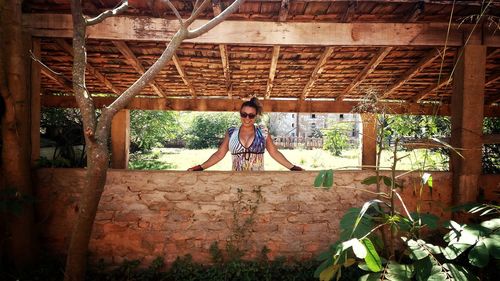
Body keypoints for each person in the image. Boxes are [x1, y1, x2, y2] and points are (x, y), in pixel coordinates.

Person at [188, 97, 304, 171]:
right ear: (240, 114)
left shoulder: (263, 132)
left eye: (251, 115)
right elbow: (219, 154)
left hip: (258, 182)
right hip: (236, 181)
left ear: (256, 116)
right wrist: (201, 167)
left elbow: (274, 152)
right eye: (244, 114)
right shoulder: (231, 132)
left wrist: (293, 167)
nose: (247, 118)